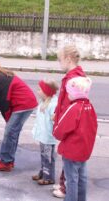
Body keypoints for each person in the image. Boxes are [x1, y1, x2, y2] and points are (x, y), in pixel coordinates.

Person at [0, 54, 38, 171]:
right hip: (23, 104)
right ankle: (8, 160)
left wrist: (8, 120)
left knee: (10, 132)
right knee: (12, 133)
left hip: (23, 104)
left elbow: (3, 103)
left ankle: (6, 162)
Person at [53, 76, 97, 201]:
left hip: (71, 150)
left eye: (69, 92)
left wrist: (55, 133)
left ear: (74, 94)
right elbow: (93, 127)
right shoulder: (89, 107)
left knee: (71, 179)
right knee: (82, 177)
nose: (67, 95)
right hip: (84, 149)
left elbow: (61, 128)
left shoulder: (74, 108)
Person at [53, 45, 86, 198]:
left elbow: (68, 105)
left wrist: (59, 121)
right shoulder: (77, 76)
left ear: (68, 59)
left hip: (69, 127)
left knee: (71, 165)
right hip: (74, 127)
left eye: (60, 60)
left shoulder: (71, 79)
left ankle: (65, 189)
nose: (60, 64)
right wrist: (56, 113)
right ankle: (64, 186)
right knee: (76, 167)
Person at [32, 79, 58, 185]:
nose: (37, 91)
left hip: (48, 137)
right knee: (43, 156)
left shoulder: (52, 104)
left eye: (39, 89)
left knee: (48, 158)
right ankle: (43, 173)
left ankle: (49, 177)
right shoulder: (44, 102)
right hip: (43, 135)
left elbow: (54, 119)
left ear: (46, 91)